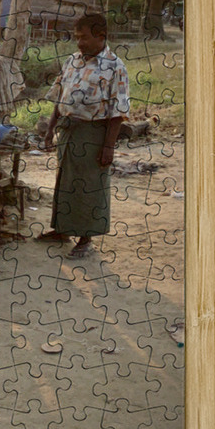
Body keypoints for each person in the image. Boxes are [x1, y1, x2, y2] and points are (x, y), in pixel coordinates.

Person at [40, 13, 130, 257]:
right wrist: (50, 130)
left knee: (89, 186)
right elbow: (59, 96)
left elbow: (117, 112)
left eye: (84, 37)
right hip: (68, 130)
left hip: (93, 134)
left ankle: (86, 239)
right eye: (77, 37)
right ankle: (62, 229)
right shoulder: (72, 61)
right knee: (65, 182)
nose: (79, 42)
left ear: (101, 36)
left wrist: (108, 147)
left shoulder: (115, 67)